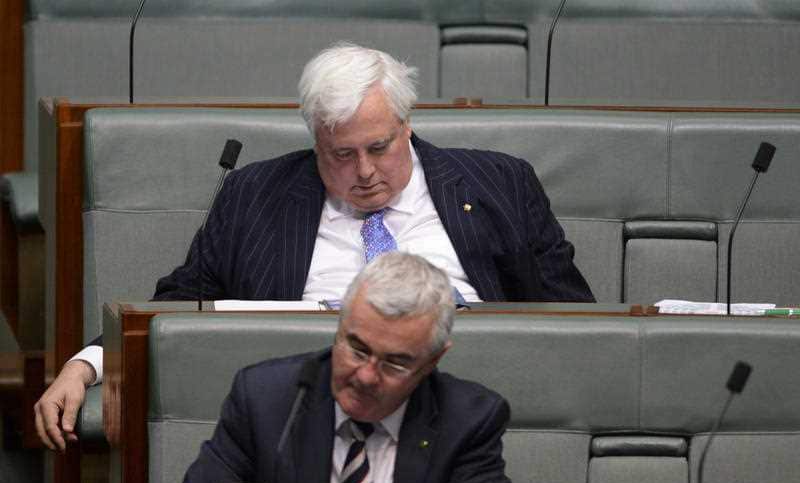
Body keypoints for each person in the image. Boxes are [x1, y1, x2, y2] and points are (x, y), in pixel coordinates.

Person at [35, 42, 593, 451]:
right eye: (342, 156)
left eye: (379, 147)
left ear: (407, 123)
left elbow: (576, 320)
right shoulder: (256, 194)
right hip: (307, 414)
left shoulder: (499, 183)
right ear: (315, 139)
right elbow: (180, 302)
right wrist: (85, 366)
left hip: (473, 399)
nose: (366, 172)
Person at [152, 252, 512, 483]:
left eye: (395, 363)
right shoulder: (267, 398)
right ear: (339, 326)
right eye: (356, 349)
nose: (366, 376)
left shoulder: (470, 420)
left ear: (434, 359)